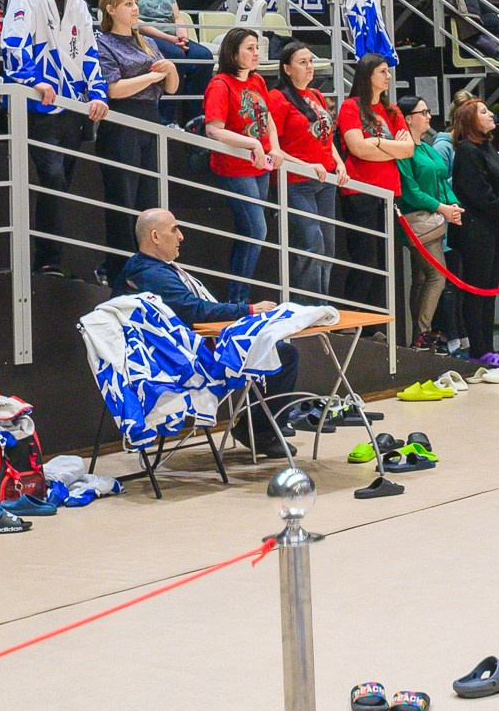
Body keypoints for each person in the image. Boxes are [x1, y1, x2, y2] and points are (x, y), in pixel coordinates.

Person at [110, 207, 300, 457]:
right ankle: (260, 430)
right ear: (155, 237)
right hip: (178, 362)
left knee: (274, 348)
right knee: (283, 353)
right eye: (175, 229)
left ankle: (262, 424)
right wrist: (249, 310)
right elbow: (195, 311)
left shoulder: (151, 267)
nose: (181, 237)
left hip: (183, 351)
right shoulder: (149, 273)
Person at [2, 0, 109, 276]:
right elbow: (12, 43)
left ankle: (52, 258)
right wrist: (33, 80)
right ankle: (48, 260)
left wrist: (99, 92)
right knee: (52, 179)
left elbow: (90, 52)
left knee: (62, 184)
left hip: (73, 109)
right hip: (39, 108)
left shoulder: (78, 4)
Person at [90, 0, 176, 266]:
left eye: (135, 2)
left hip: (150, 118)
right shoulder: (103, 42)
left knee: (149, 201)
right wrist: (152, 77)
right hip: (121, 122)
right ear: (111, 9)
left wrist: (171, 69)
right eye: (128, 4)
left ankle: (148, 268)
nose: (135, 8)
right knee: (123, 202)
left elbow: (171, 89)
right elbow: (113, 89)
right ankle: (118, 268)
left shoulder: (147, 42)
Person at [200, 27, 278, 301]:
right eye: (250, 48)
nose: (256, 53)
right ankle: (238, 298)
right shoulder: (220, 84)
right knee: (257, 230)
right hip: (235, 166)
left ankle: (239, 295)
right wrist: (253, 144)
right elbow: (214, 129)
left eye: (257, 47)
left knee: (252, 231)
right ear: (233, 53)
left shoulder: (257, 81)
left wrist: (274, 146)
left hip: (260, 166)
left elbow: (267, 118)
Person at [335, 54, 414, 319]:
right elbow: (357, 149)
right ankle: (349, 320)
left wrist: (377, 144)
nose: (388, 77)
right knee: (365, 260)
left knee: (384, 261)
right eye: (383, 72)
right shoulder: (350, 107)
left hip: (391, 193)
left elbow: (409, 149)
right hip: (361, 191)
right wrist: (390, 147)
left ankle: (372, 325)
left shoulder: (392, 111)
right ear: (368, 75)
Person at [264, 41, 339, 299]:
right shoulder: (277, 98)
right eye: (303, 62)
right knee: (311, 241)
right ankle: (305, 308)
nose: (310, 67)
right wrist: (307, 166)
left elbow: (327, 139)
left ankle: (322, 304)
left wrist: (338, 163)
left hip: (325, 180)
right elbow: (272, 147)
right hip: (296, 180)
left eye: (311, 61)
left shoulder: (316, 95)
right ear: (286, 68)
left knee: (327, 247)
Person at [445, 97, 499, 358]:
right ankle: (478, 348)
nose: (490, 115)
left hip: (495, 227)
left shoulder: (488, 146)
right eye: (484, 112)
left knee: (490, 289)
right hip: (476, 230)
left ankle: (489, 347)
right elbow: (477, 191)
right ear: (471, 120)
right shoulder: (467, 150)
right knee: (477, 290)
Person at [396, 97, 459, 346]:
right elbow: (409, 191)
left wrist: (452, 205)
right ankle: (422, 333)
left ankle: (419, 333)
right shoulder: (403, 150)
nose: (428, 116)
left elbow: (442, 180)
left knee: (422, 278)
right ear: (408, 118)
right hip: (418, 220)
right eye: (423, 112)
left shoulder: (427, 147)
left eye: (428, 111)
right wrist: (442, 207)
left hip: (434, 218)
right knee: (436, 276)